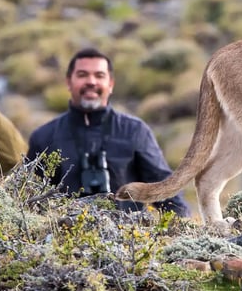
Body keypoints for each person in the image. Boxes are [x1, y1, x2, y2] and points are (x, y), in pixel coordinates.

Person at [25, 47, 191, 217]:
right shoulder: (44, 136)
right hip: (60, 239)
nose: (91, 82)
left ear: (111, 84)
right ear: (69, 82)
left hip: (128, 239)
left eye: (99, 75)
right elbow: (27, 198)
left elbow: (166, 190)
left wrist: (181, 231)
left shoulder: (135, 131)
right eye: (82, 75)